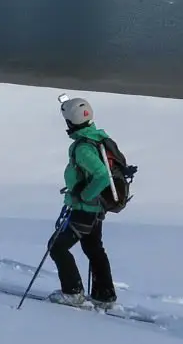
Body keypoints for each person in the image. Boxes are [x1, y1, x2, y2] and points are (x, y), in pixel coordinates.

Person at [47, 96, 118, 309]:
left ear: (71, 121)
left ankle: (73, 293)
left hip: (84, 210)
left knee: (57, 247)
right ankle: (104, 295)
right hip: (96, 209)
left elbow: (102, 175)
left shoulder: (83, 148)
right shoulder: (96, 138)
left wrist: (83, 196)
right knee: (94, 248)